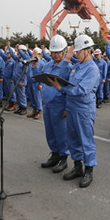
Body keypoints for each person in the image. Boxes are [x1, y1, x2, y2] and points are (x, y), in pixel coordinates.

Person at [46, 35, 101, 188]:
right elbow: (62, 75)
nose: (76, 54)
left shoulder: (92, 68)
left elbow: (82, 90)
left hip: (84, 110)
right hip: (72, 108)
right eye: (75, 52)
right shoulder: (77, 66)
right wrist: (67, 59)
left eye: (78, 52)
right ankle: (78, 167)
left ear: (88, 51)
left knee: (86, 141)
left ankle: (89, 170)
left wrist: (61, 88)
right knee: (73, 140)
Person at [39, 35, 72, 173]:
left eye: (58, 52)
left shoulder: (68, 68)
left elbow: (70, 89)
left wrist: (66, 107)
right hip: (48, 104)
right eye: (53, 52)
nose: (56, 55)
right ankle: (55, 154)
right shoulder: (47, 65)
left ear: (64, 51)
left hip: (60, 105)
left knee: (61, 133)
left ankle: (64, 157)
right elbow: (42, 80)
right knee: (50, 132)